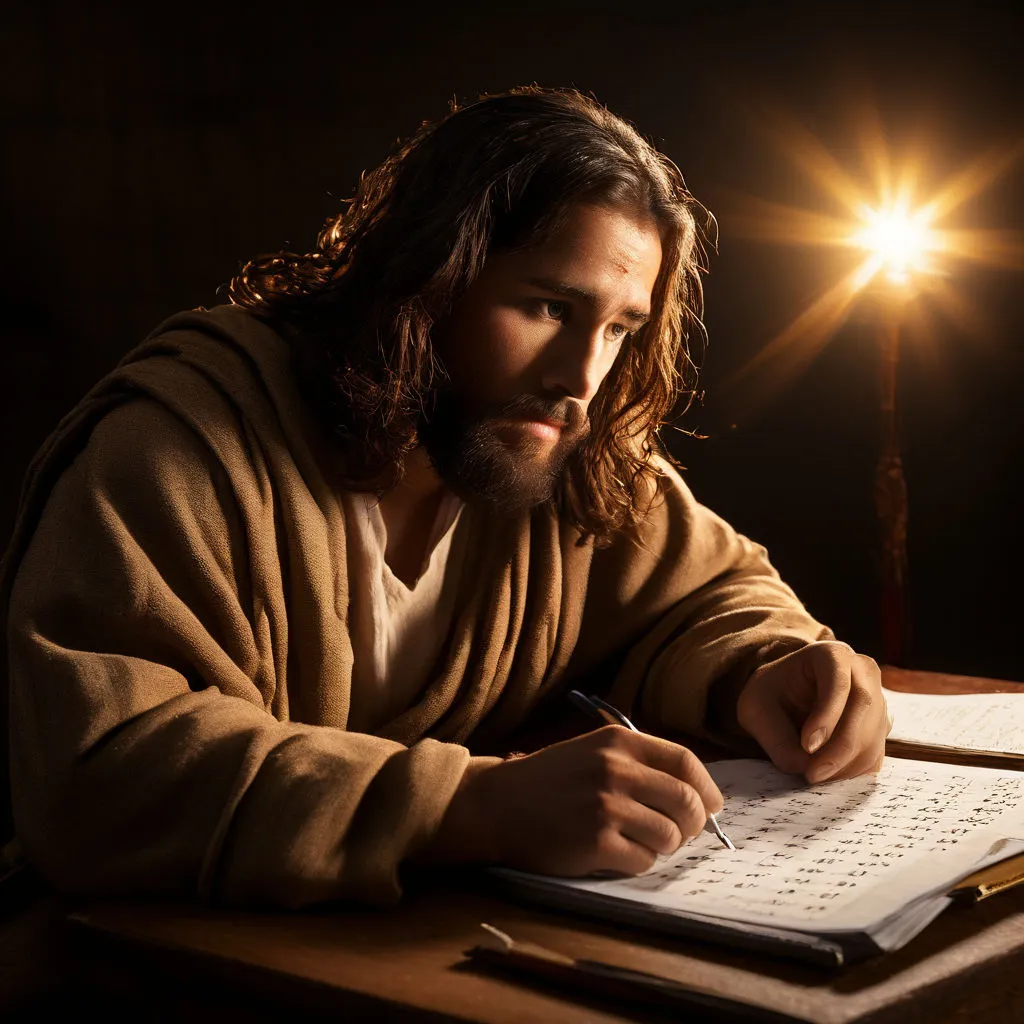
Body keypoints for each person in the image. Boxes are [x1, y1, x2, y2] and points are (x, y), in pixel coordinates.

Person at [1, 86, 888, 907]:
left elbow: (710, 592)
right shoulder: (187, 443)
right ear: (429, 279)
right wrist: (473, 805)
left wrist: (768, 665)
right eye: (547, 307)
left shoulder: (561, 450)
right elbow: (100, 776)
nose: (582, 374)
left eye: (620, 328)